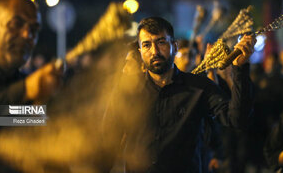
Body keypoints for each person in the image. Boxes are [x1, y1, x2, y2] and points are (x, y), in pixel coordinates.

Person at [101, 17, 256, 173]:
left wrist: (240, 69)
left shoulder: (199, 88)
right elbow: (107, 145)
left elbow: (237, 119)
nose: (154, 51)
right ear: (141, 52)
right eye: (146, 45)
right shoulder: (127, 92)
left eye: (161, 42)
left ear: (174, 46)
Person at [0, 0, 62, 170]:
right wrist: (26, 91)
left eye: (34, 30)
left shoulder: (30, 85)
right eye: (16, 24)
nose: (27, 35)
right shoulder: (27, 86)